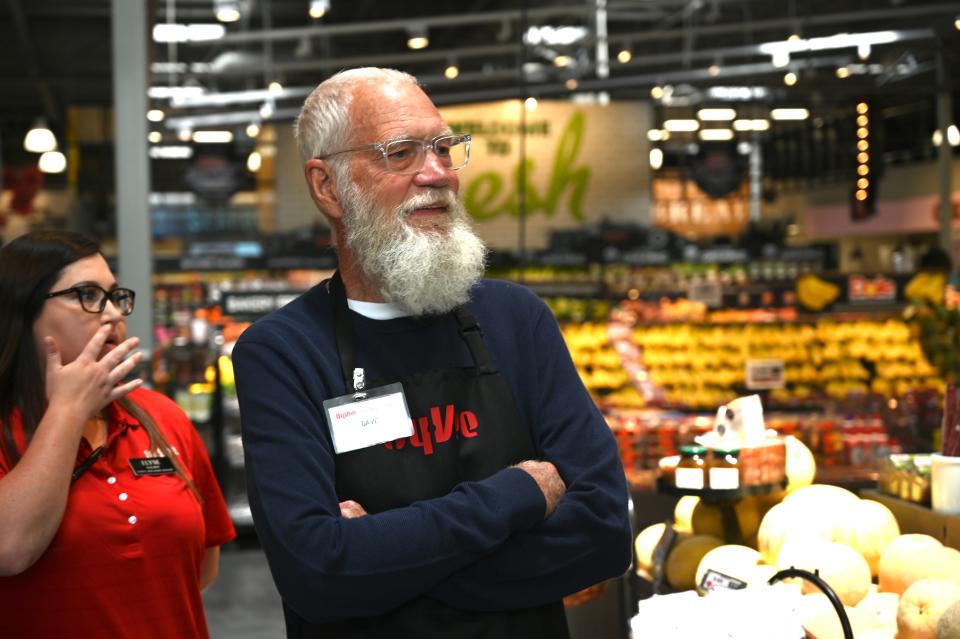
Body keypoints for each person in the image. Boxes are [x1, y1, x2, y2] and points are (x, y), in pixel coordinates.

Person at [232, 67, 632, 638]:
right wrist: (518, 494)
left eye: (444, 148)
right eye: (400, 153)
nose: (437, 173)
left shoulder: (517, 320)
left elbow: (604, 530)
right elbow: (317, 575)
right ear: (327, 187)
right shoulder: (281, 353)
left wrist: (389, 565)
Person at [0, 230, 236, 638]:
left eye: (114, 296)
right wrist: (70, 410)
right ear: (24, 310)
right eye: (87, 295)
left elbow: (200, 564)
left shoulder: (162, 417)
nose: (112, 314)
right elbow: (10, 549)